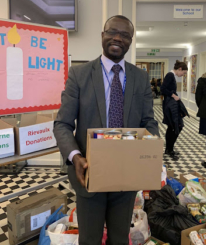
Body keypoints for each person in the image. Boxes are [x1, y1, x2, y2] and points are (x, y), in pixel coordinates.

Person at [54, 15, 159, 245]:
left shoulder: (140, 78)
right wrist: (75, 157)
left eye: (125, 35)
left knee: (119, 238)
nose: (118, 38)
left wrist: (151, 153)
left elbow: (148, 122)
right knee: (90, 239)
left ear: (130, 41)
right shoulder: (79, 75)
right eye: (113, 32)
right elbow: (62, 124)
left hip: (126, 174)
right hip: (89, 173)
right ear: (102, 35)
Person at [161, 60, 188, 160]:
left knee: (172, 127)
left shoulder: (171, 75)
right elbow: (163, 89)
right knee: (176, 126)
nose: (183, 75)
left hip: (170, 105)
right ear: (180, 69)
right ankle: (169, 149)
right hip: (170, 106)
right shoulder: (170, 75)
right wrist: (174, 96)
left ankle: (169, 149)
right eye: (183, 73)